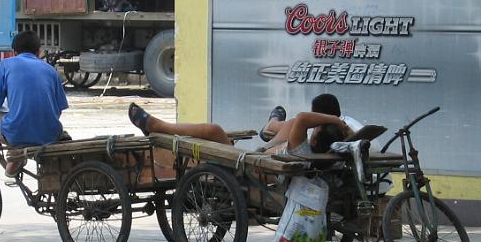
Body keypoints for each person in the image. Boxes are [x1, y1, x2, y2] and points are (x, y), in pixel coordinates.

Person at [0, 31, 69, 175]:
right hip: (50, 134)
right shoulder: (50, 70)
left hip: (16, 134)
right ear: (39, 51)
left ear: (14, 52)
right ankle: (16, 157)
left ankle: (16, 155)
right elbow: (59, 110)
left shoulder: (5, 65)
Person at [128, 102, 347, 157]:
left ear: (316, 141)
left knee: (214, 130)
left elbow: (303, 118)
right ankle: (270, 126)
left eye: (316, 131)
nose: (312, 131)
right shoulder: (322, 154)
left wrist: (336, 121)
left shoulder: (302, 148)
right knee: (289, 124)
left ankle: (157, 126)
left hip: (251, 169)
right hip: (265, 156)